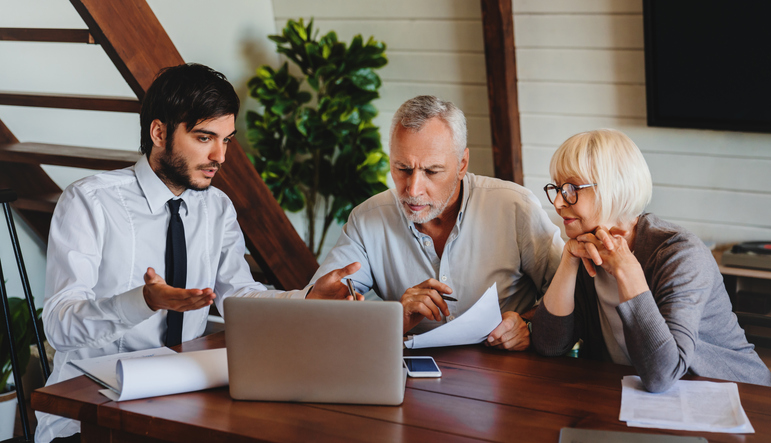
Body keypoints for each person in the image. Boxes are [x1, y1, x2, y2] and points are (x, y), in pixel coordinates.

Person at [37, 63, 360, 442]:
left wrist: (307, 300)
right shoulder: (89, 201)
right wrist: (143, 301)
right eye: (205, 138)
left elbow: (238, 296)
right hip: (91, 411)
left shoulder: (217, 207)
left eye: (227, 140)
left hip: (184, 401)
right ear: (159, 132)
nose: (220, 156)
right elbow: (59, 326)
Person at [310, 95, 564, 350]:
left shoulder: (515, 207)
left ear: (462, 164)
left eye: (431, 171)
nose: (413, 189)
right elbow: (319, 307)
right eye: (402, 168)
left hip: (509, 377)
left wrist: (527, 323)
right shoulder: (366, 220)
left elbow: (574, 296)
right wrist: (395, 317)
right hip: (409, 381)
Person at [531, 128, 771, 392]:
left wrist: (628, 273)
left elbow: (662, 374)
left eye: (570, 188)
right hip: (637, 398)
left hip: (735, 396)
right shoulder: (585, 248)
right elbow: (548, 345)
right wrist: (568, 259)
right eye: (556, 188)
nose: (557, 202)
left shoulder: (680, 254)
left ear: (614, 187)